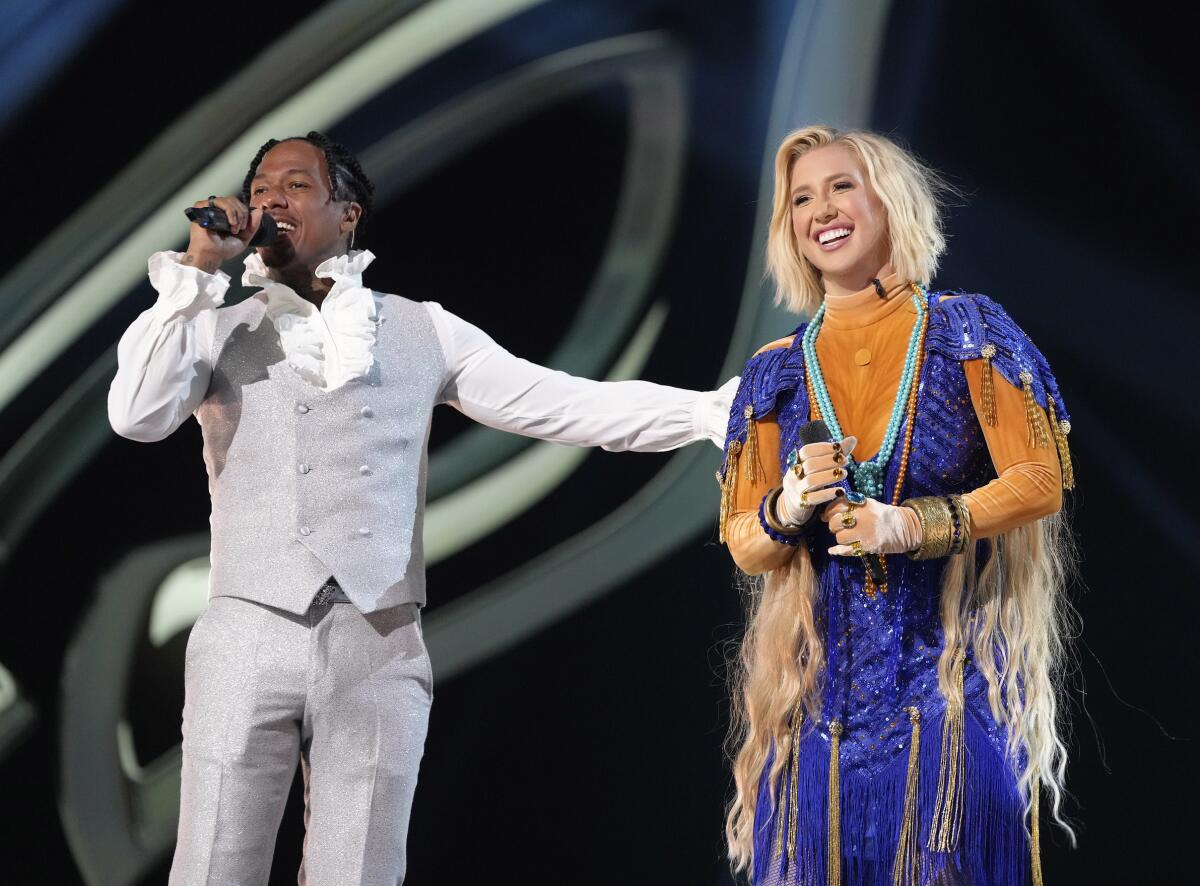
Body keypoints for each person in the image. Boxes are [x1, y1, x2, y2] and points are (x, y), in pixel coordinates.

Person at [107, 131, 735, 885]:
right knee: (214, 865)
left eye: (296, 184)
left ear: (347, 214)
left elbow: (565, 404)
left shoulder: (422, 329)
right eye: (261, 185)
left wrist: (710, 413)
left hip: (380, 637)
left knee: (362, 872)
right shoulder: (211, 324)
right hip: (246, 630)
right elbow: (135, 415)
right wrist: (196, 272)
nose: (271, 197)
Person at [718, 126, 1077, 886]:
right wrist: (789, 504)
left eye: (842, 185)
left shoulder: (967, 331)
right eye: (801, 198)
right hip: (817, 718)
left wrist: (909, 523)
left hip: (946, 699)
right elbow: (745, 540)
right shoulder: (774, 373)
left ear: (889, 200)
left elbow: (1041, 476)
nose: (823, 208)